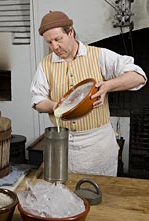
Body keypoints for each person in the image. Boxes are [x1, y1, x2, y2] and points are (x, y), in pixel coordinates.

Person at [30, 11, 147, 176]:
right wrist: (58, 106)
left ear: (70, 32)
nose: (54, 47)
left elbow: (139, 77)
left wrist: (108, 86)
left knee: (102, 194)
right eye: (49, 42)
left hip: (98, 144)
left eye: (58, 39)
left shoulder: (98, 55)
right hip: (64, 144)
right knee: (66, 195)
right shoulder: (45, 65)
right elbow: (37, 100)